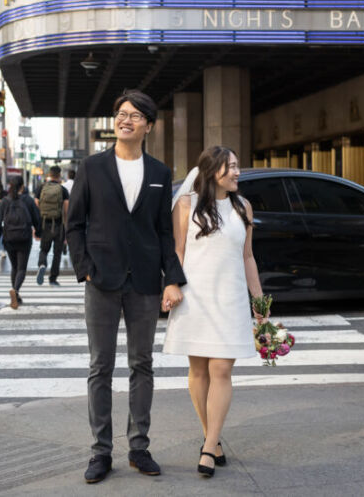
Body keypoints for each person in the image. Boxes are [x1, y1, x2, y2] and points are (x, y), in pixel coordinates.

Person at [66, 89, 186, 484]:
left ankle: (139, 447)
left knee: (142, 365)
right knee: (100, 367)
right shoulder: (93, 167)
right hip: (101, 279)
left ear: (148, 125)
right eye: (121, 113)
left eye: (135, 115)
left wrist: (173, 279)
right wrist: (84, 267)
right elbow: (75, 223)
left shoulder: (159, 172)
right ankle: (101, 451)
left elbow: (163, 233)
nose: (126, 119)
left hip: (145, 282)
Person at [163, 146, 264, 478]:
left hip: (230, 299)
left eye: (237, 166)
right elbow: (177, 250)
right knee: (199, 371)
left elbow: (248, 257)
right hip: (195, 297)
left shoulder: (243, 207)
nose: (237, 172)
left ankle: (208, 447)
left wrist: (260, 303)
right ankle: (214, 438)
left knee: (221, 369)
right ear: (211, 172)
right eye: (230, 167)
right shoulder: (186, 205)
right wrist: (171, 285)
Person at [0, 175, 40, 309]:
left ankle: (16, 295)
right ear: (22, 187)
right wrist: (39, 232)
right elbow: (37, 218)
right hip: (24, 238)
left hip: (9, 238)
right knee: (22, 268)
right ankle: (15, 291)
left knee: (14, 267)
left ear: (10, 186)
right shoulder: (28, 200)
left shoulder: (5, 201)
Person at [35, 165, 69, 286]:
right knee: (57, 253)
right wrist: (66, 228)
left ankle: (42, 264)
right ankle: (53, 279)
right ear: (59, 175)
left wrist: (37, 225)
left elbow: (36, 206)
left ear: (49, 175)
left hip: (45, 224)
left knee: (43, 249)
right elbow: (66, 210)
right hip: (59, 225)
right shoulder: (63, 190)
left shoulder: (41, 188)